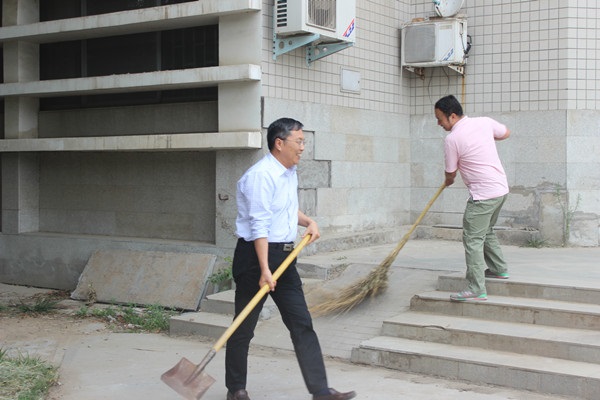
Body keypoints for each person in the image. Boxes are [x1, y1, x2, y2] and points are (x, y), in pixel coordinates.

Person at [225, 117, 356, 400]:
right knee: (244, 326)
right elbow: (259, 225)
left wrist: (309, 221)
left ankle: (321, 391)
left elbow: (285, 209)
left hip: (285, 258)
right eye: (299, 141)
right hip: (255, 259)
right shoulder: (261, 176)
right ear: (279, 143)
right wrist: (264, 269)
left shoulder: (288, 172)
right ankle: (236, 389)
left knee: (301, 323)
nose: (302, 147)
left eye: (303, 142)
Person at [434, 95, 511, 302]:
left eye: (440, 119)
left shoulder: (452, 139)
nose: (439, 123)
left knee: (472, 239)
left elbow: (451, 172)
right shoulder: (484, 122)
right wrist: (485, 140)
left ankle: (476, 288)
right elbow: (505, 133)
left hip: (483, 196)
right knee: (486, 230)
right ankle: (499, 269)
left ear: (452, 116)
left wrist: (448, 180)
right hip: (500, 190)